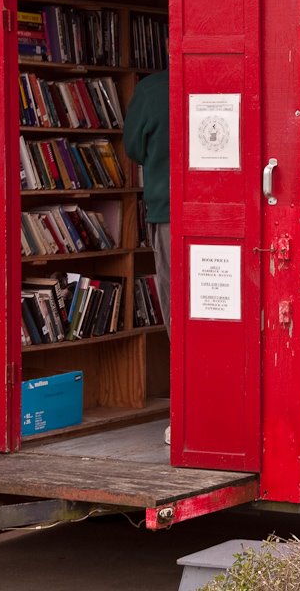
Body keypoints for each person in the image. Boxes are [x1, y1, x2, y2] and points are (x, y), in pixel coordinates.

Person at [124, 69, 171, 443]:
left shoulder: (151, 90)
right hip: (225, 214)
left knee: (177, 311)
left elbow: (134, 148)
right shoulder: (225, 80)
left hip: (168, 211)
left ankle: (188, 408)